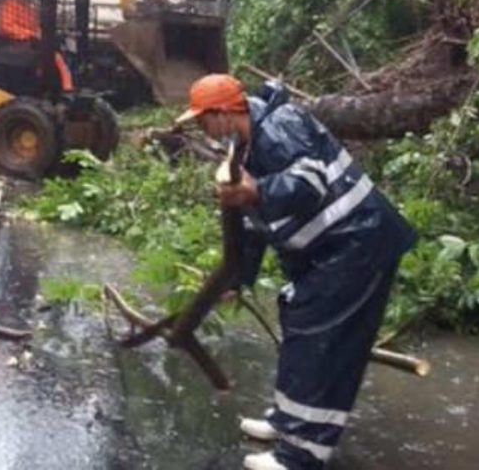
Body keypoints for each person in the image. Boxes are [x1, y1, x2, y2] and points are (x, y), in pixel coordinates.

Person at [177, 74, 416, 470]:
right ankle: (288, 423)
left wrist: (257, 191)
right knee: (297, 319)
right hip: (332, 252)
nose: (204, 131)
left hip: (358, 245)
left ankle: (302, 454)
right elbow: (255, 227)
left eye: (204, 121)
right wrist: (240, 278)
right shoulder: (245, 146)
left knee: (322, 344)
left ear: (222, 113)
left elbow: (309, 184)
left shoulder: (279, 126)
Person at [0, 0, 73, 92]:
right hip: (13, 43)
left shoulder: (26, 5)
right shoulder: (8, 3)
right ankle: (67, 88)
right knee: (54, 56)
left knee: (57, 48)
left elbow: (34, 25)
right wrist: (30, 35)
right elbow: (5, 28)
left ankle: (49, 83)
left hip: (28, 40)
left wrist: (42, 34)